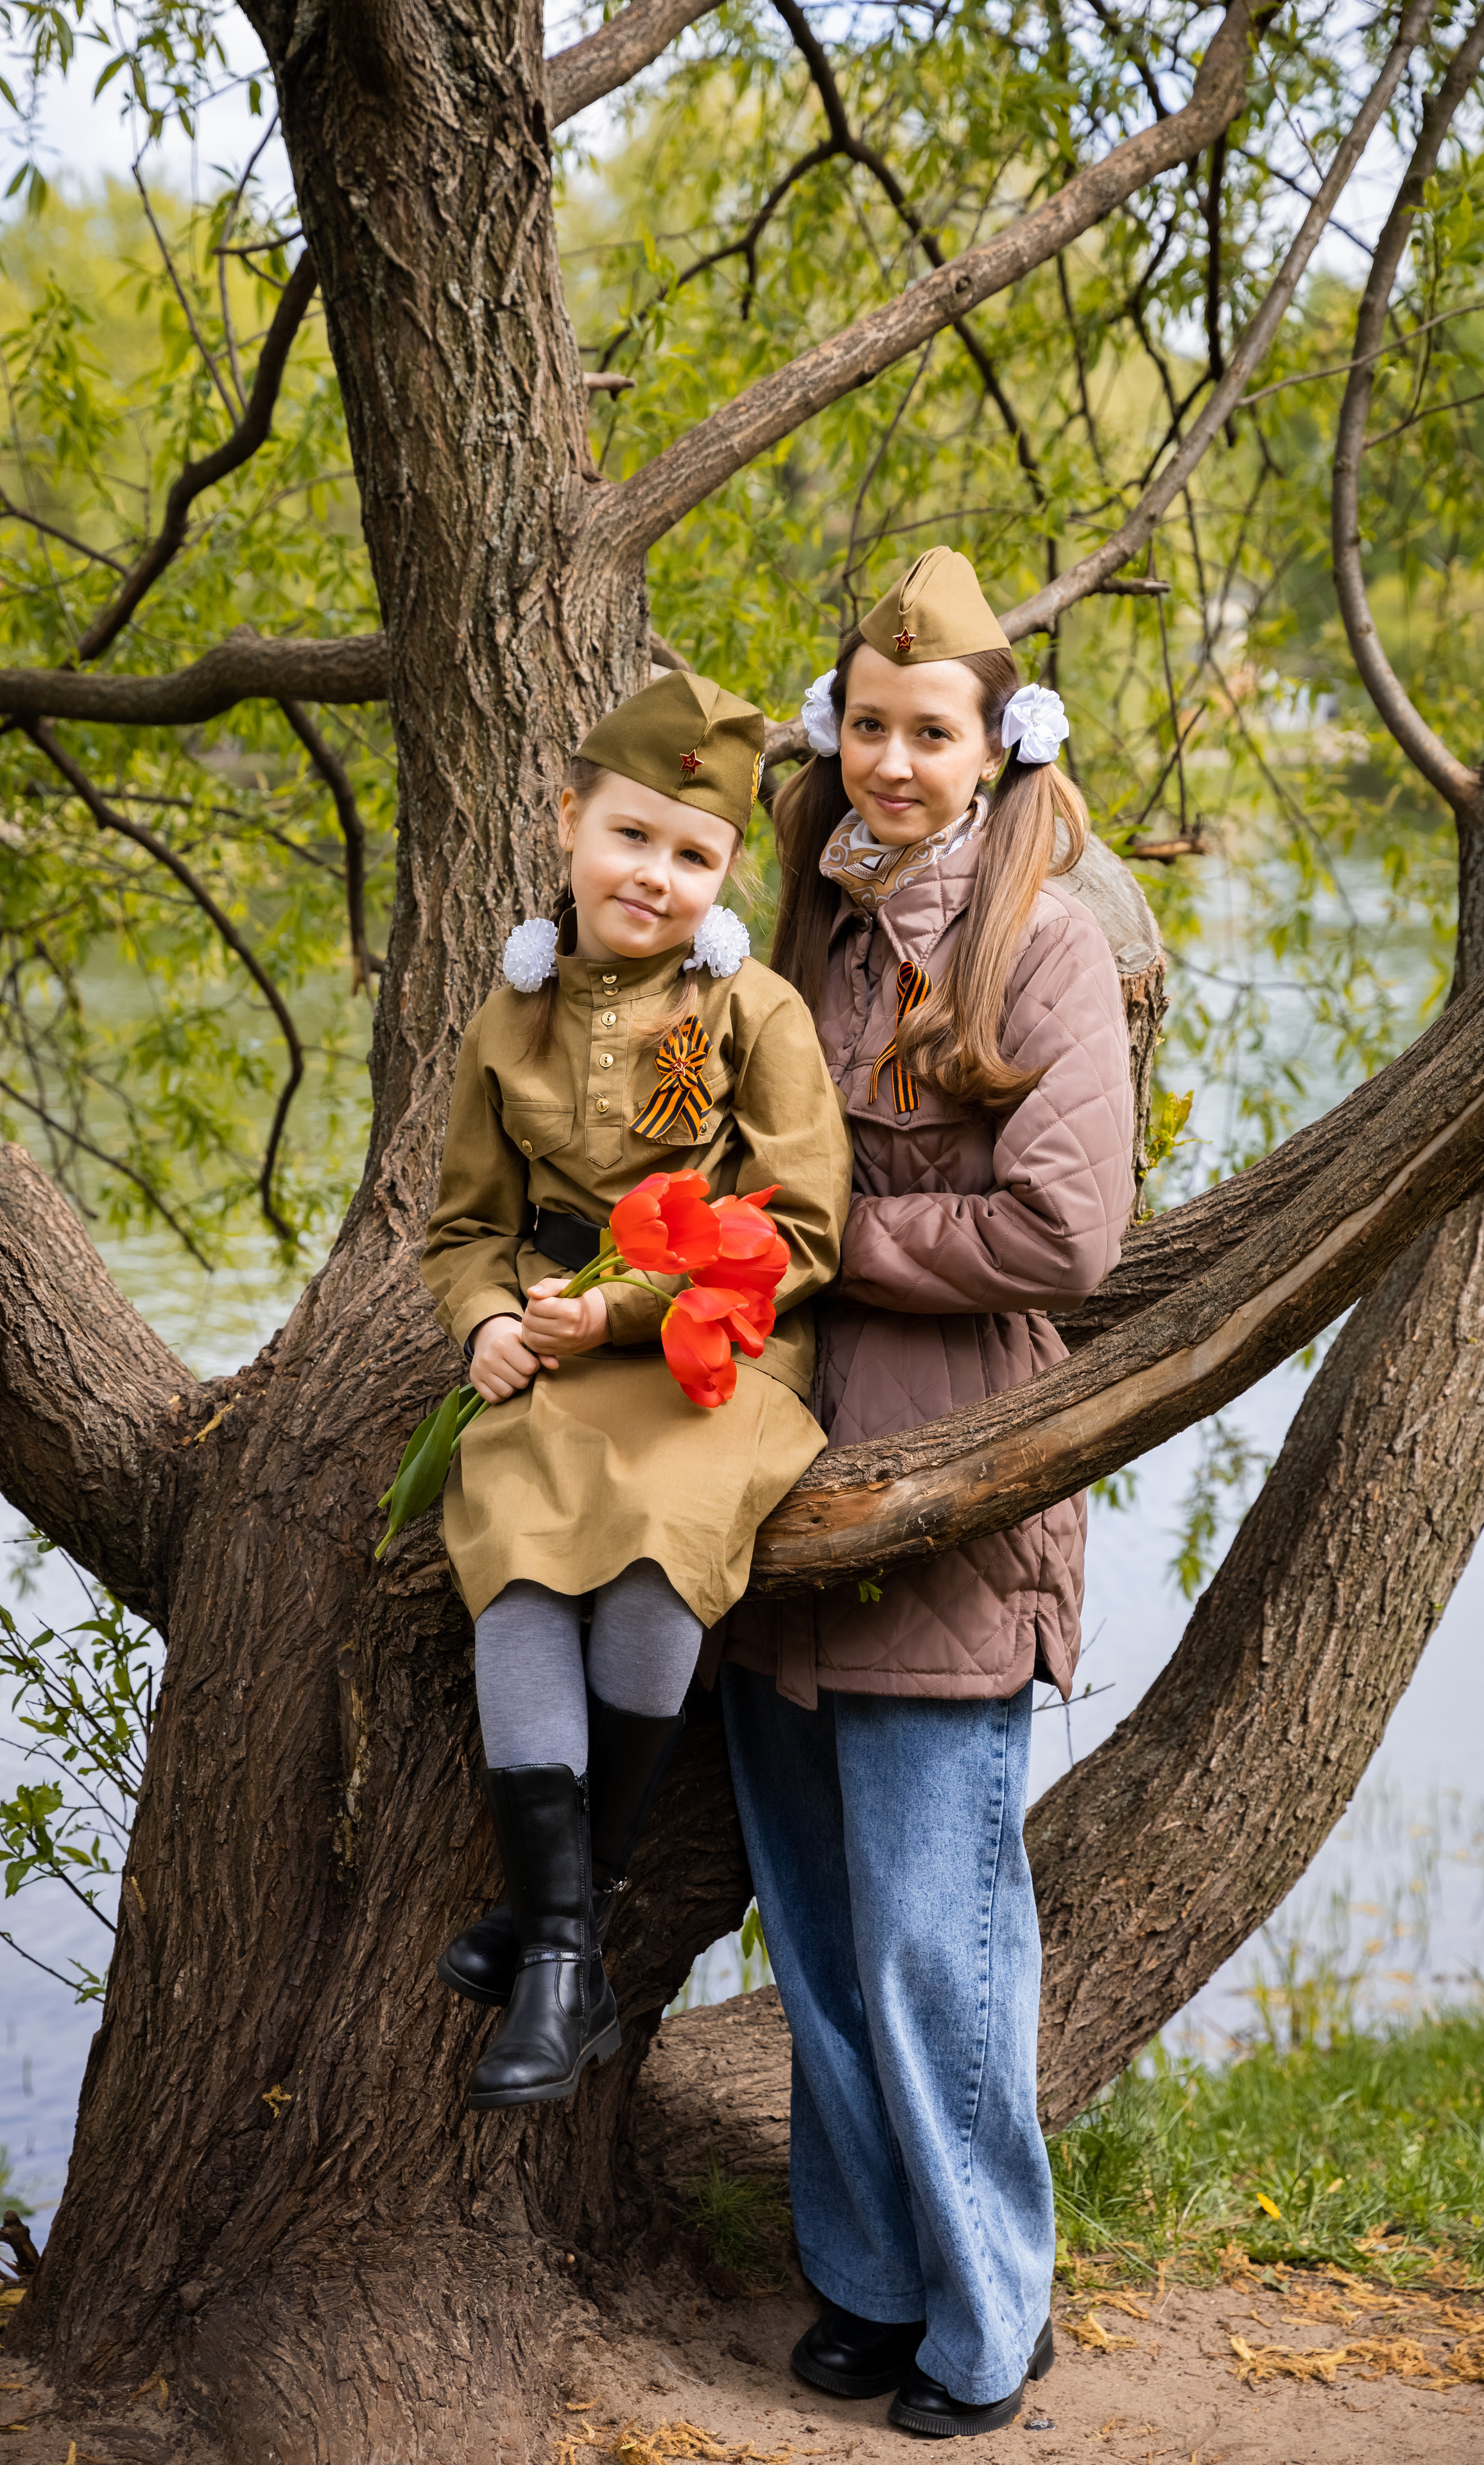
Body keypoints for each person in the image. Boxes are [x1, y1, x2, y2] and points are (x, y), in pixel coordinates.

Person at [717, 548, 1134, 2437]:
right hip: (773, 1493)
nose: (895, 760)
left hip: (952, 1487)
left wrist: (826, 1237)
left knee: (930, 1944)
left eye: (932, 731)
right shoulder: (798, 924)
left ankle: (991, 2318)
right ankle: (874, 2280)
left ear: (996, 744)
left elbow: (1064, 1226)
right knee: (812, 1933)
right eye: (869, 726)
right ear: (838, 734)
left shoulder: (1041, 936)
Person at [421, 668, 852, 2115]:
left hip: (708, 1357)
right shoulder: (508, 1020)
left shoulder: (752, 1010)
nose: (653, 876)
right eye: (630, 837)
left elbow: (799, 1230)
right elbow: (465, 1229)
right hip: (552, 1358)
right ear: (566, 823)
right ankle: (561, 1957)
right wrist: (486, 1321)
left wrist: (628, 1308)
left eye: (692, 855)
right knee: (521, 1557)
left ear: (725, 876)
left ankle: (558, 1922)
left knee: (659, 1554)